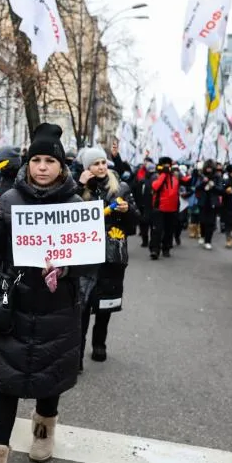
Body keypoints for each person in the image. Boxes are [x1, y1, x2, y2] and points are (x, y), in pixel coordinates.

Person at [0, 123, 86, 463]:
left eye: (49, 161)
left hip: (58, 309)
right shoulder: (8, 199)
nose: (42, 167)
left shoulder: (76, 204)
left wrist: (66, 269)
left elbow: (90, 259)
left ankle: (43, 433)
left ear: (62, 165)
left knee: (49, 377)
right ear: (27, 163)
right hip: (14, 307)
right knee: (4, 383)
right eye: (36, 159)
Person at [77, 148, 138, 368]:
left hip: (112, 255)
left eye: (103, 162)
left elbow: (134, 224)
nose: (101, 167)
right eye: (95, 164)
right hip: (84, 255)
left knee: (105, 303)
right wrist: (78, 184)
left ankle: (99, 344)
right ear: (87, 168)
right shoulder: (79, 188)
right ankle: (77, 354)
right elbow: (65, 214)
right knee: (81, 305)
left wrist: (127, 210)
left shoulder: (120, 188)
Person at [196, 159, 224, 250]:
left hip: (213, 202)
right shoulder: (201, 176)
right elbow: (197, 188)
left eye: (210, 168)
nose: (209, 170)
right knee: (203, 221)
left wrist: (213, 186)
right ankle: (202, 235)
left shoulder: (218, 177)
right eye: (207, 168)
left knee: (211, 223)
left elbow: (221, 190)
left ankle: (208, 241)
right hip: (203, 201)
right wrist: (204, 182)